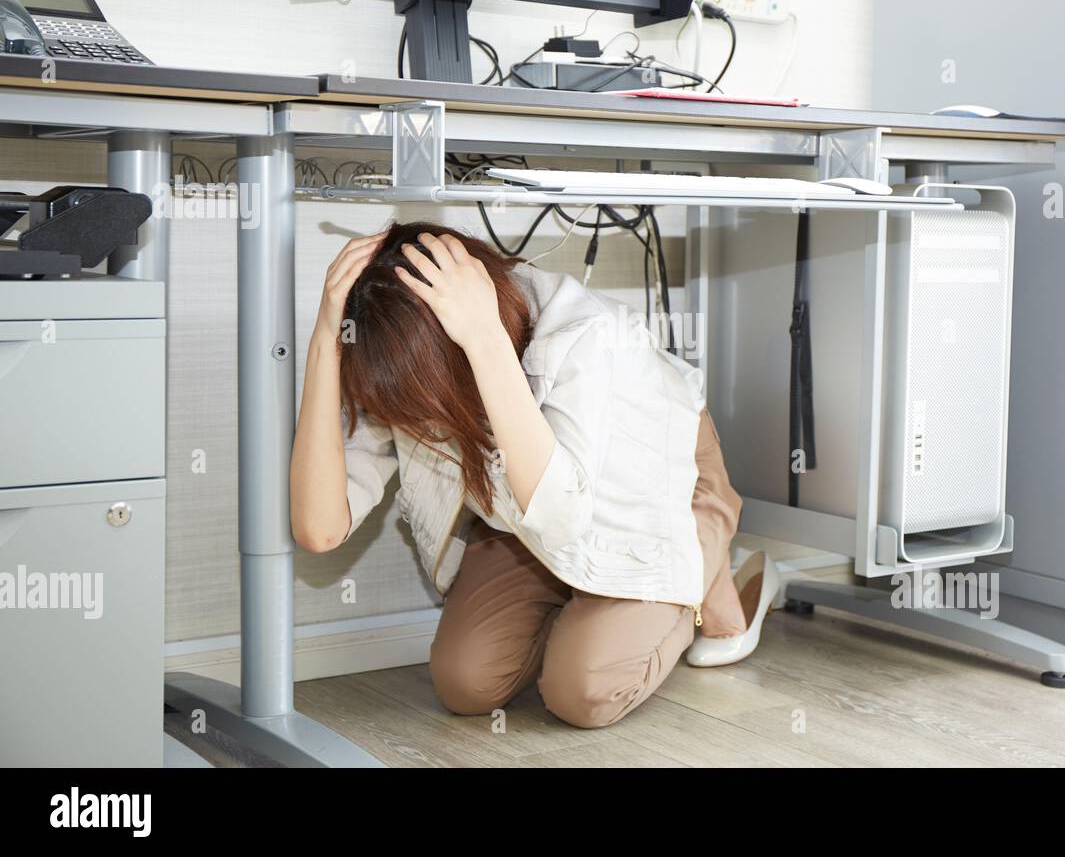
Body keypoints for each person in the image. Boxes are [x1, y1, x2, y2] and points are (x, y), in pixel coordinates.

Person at [289, 222, 779, 728]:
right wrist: (326, 342)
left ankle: (712, 561)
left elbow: (563, 519)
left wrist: (484, 339)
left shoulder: (586, 334)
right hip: (529, 513)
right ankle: (585, 604)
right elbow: (319, 528)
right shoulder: (399, 359)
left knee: (584, 693)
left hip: (647, 487)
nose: (417, 427)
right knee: (466, 683)